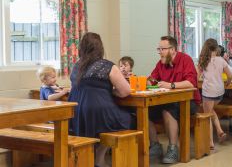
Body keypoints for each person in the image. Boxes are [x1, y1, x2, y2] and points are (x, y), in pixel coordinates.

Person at [68, 32, 135, 167]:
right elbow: (125, 91)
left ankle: (92, 159)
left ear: (82, 48)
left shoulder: (76, 66)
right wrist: (111, 92)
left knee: (103, 126)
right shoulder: (107, 66)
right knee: (131, 119)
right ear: (100, 48)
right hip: (99, 111)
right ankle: (101, 158)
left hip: (76, 112)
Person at [148, 36, 201, 164]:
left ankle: (173, 148)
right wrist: (149, 81)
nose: (159, 52)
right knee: (144, 110)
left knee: (168, 108)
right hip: (167, 100)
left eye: (162, 49)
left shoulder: (185, 60)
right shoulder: (161, 63)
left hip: (189, 101)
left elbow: (191, 83)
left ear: (172, 49)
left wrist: (171, 85)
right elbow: (152, 79)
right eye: (158, 49)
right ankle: (155, 144)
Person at [198, 39, 232, 150]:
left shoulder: (203, 60)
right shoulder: (221, 60)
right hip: (220, 93)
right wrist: (227, 82)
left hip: (209, 92)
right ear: (216, 48)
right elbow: (230, 75)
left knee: (208, 115)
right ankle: (220, 131)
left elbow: (196, 76)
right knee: (211, 110)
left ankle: (211, 142)